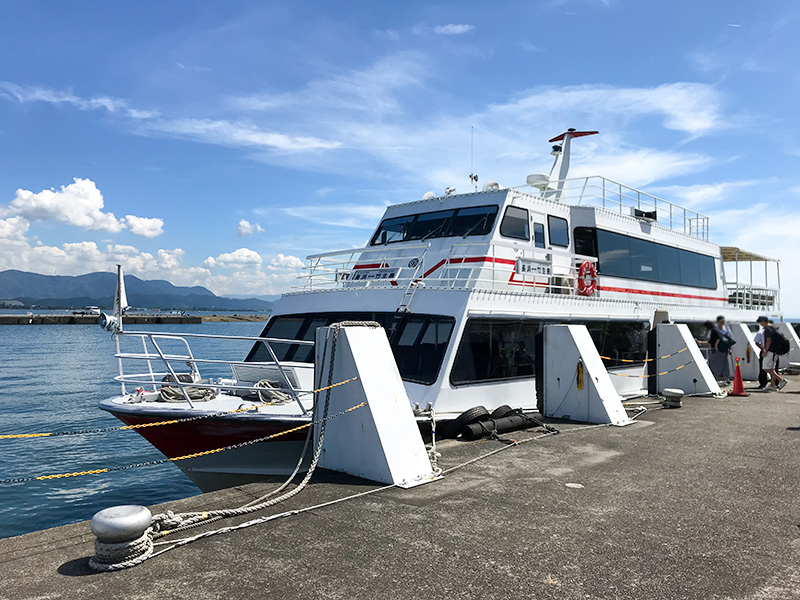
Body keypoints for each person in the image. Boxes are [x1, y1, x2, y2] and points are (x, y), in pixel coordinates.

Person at [757, 315, 788, 390]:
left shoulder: (767, 329)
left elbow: (768, 340)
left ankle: (781, 380)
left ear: (764, 322)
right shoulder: (774, 328)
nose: (760, 324)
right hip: (775, 352)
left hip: (770, 351)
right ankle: (772, 385)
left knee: (766, 368)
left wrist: (765, 351)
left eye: (761, 322)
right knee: (772, 368)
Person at [707, 315, 733, 380]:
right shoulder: (714, 330)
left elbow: (729, 340)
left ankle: (724, 377)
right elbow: (711, 340)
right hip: (716, 350)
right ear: (717, 321)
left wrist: (730, 349)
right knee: (715, 363)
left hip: (723, 349)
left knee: (724, 364)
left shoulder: (726, 330)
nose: (722, 323)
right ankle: (716, 376)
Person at [754, 321, 769, 388]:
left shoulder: (761, 333)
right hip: (767, 350)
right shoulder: (761, 333)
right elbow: (757, 342)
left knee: (764, 368)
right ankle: (764, 383)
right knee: (765, 367)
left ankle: (765, 383)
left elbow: (757, 342)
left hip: (767, 350)